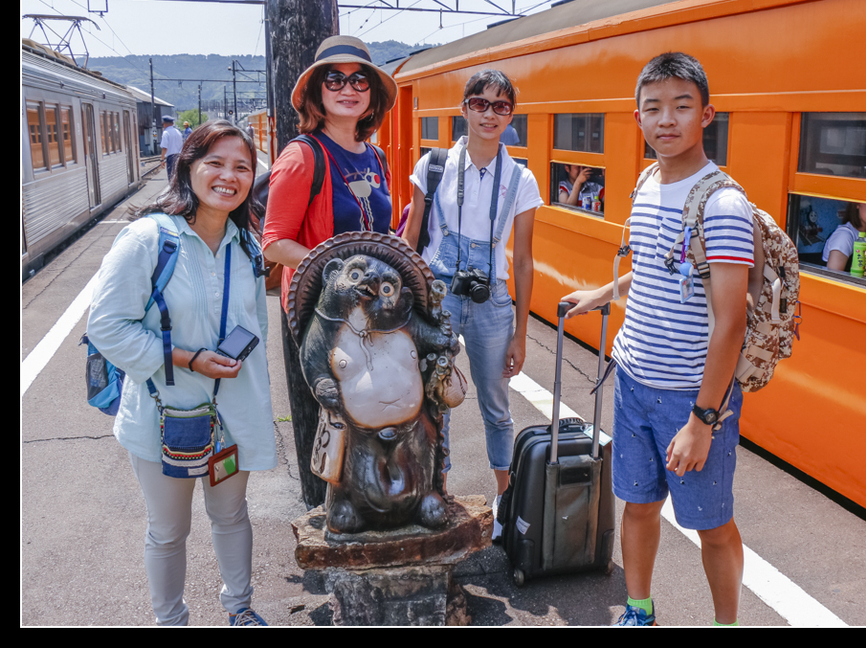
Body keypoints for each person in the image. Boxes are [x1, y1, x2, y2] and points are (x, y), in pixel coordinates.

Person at [563, 53, 752, 626]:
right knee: (638, 505)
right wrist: (603, 293)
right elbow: (652, 270)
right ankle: (639, 609)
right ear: (638, 118)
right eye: (653, 108)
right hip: (635, 380)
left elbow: (731, 323)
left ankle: (727, 622)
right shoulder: (647, 182)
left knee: (711, 525)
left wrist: (701, 420)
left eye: (681, 106)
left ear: (707, 115)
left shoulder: (722, 204)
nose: (666, 119)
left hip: (689, 396)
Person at [87, 120, 275, 626]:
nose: (228, 177)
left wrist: (258, 408)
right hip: (162, 417)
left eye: (242, 167)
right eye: (214, 162)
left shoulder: (247, 247)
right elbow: (105, 327)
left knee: (232, 515)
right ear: (188, 166)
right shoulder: (148, 240)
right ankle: (170, 620)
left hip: (229, 416)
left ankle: (240, 609)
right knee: (169, 529)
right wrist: (187, 359)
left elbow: (254, 330)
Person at [400, 70, 543, 538]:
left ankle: (505, 498)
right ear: (464, 109)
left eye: (500, 106)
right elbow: (409, 237)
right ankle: (433, 490)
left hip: (491, 301)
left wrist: (521, 333)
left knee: (496, 405)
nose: (489, 113)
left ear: (511, 116)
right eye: (480, 104)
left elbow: (522, 260)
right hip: (436, 294)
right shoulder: (433, 165)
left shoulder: (521, 179)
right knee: (428, 401)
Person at [261, 35, 396, 507]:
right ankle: (337, 516)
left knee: (381, 416)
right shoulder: (302, 156)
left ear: (372, 96)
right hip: (327, 314)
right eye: (334, 78)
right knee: (342, 417)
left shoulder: (375, 157)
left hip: (375, 315)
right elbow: (274, 241)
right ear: (317, 93)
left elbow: (382, 229)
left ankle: (380, 510)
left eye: (360, 79)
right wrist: (338, 266)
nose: (348, 87)